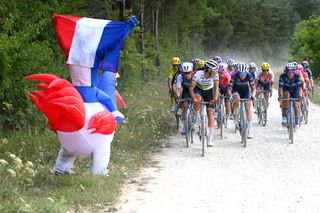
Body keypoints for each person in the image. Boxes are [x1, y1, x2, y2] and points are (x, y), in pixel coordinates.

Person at [189, 60, 219, 146]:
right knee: (197, 99)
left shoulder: (215, 75)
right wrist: (194, 99)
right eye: (214, 72)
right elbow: (191, 89)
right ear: (208, 71)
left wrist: (215, 98)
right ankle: (197, 116)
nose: (216, 73)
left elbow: (216, 88)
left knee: (210, 112)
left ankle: (210, 137)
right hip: (198, 89)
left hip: (209, 91)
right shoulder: (198, 74)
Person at [228, 62, 255, 139]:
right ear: (238, 72)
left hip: (246, 91)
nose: (242, 75)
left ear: (246, 72)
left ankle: (250, 129)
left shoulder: (249, 75)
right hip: (236, 90)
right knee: (236, 98)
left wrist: (253, 95)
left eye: (244, 74)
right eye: (241, 74)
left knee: (248, 107)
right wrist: (230, 96)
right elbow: (229, 89)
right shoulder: (234, 76)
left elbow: (253, 88)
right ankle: (236, 115)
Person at [175, 62, 194, 135]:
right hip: (185, 92)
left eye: (188, 73)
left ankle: (197, 120)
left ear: (191, 71)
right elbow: (179, 89)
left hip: (195, 91)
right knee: (184, 105)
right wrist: (178, 96)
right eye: (185, 73)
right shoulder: (180, 76)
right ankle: (184, 126)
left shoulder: (195, 76)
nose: (186, 75)